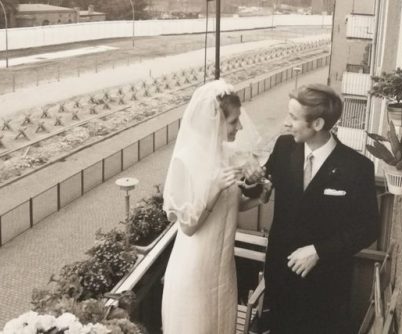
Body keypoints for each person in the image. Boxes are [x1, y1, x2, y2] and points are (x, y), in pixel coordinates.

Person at [243, 84, 379, 333]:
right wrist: (251, 179)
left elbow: (369, 228)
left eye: (293, 118)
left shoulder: (357, 167)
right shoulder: (284, 148)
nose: (286, 123)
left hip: (325, 291)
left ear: (317, 124)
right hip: (280, 281)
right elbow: (261, 188)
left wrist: (319, 251)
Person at [161, 79, 268, 334]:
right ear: (214, 121)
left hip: (223, 271)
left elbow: (232, 205)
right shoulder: (184, 161)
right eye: (233, 121)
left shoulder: (227, 154)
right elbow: (187, 227)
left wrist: (259, 197)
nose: (239, 127)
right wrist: (214, 189)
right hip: (194, 272)